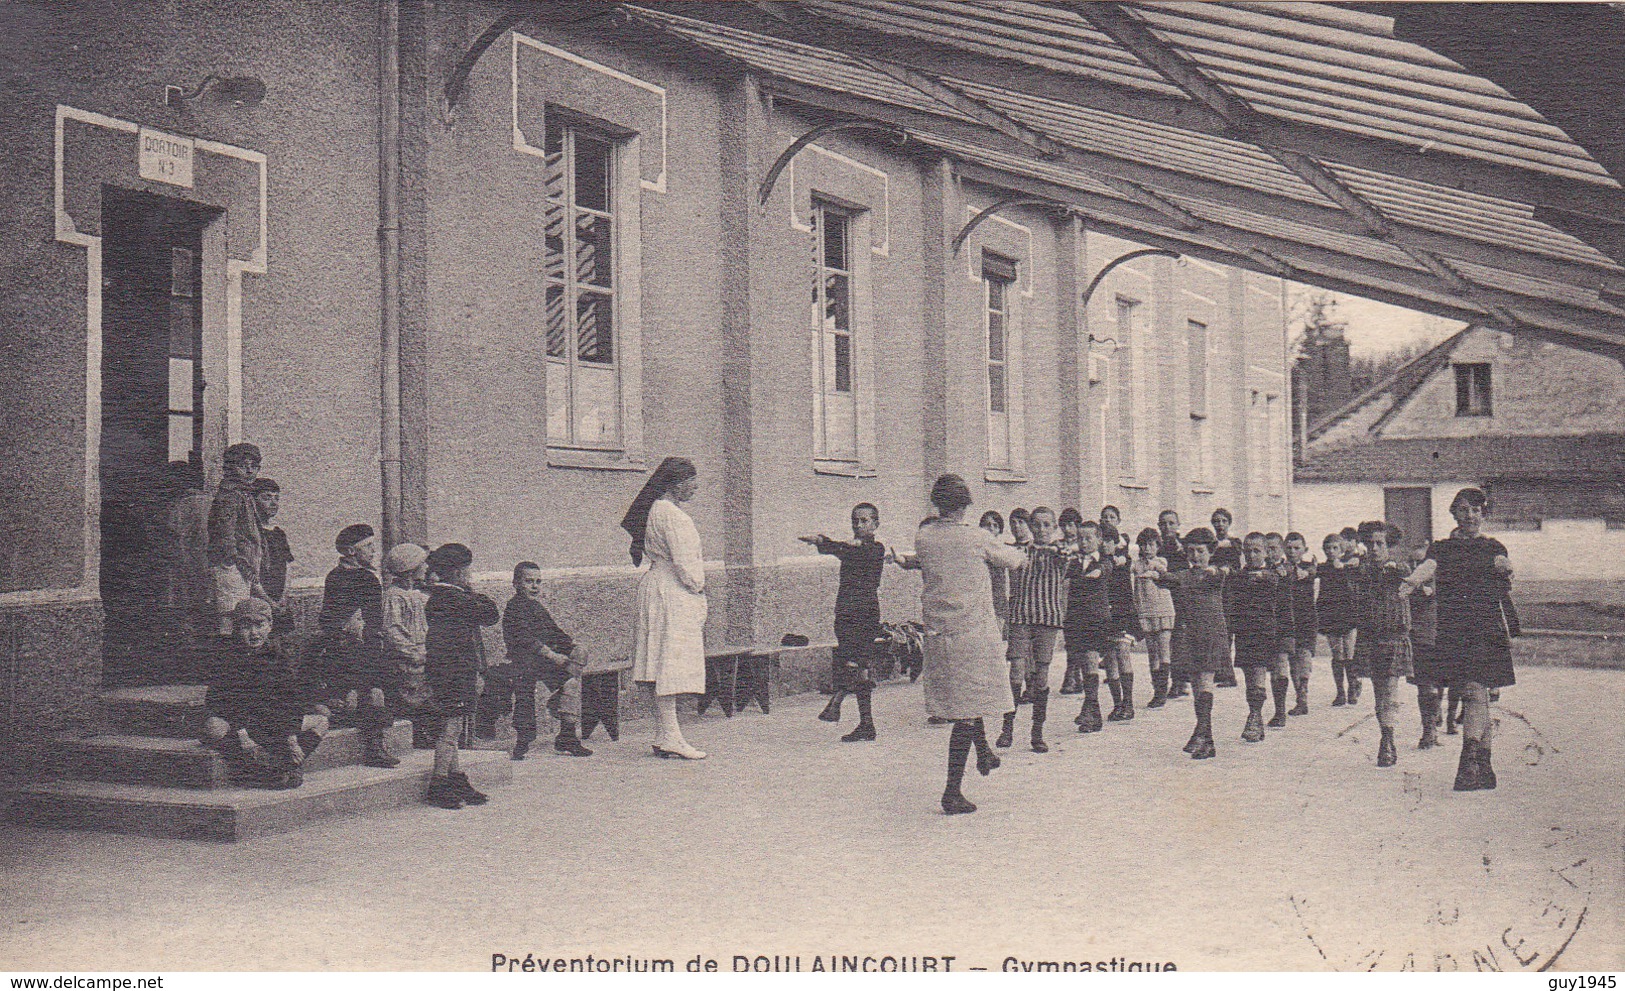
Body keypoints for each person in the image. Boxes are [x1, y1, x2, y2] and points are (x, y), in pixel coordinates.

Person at [895, 474, 1027, 814]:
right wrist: (1023, 545)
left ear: (936, 504)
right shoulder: (976, 537)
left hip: (939, 634)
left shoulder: (923, 537)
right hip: (972, 632)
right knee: (969, 707)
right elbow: (1015, 561)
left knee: (965, 698)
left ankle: (983, 751)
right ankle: (952, 792)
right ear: (966, 505)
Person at [1404, 488, 1515, 792]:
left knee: (1474, 691)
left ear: (1483, 514)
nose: (1471, 516)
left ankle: (1468, 763)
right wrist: (1412, 580)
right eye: (1464, 510)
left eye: (1477, 510)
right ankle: (1485, 766)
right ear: (1453, 513)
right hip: (1454, 628)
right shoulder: (1441, 549)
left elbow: (1502, 566)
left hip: (1485, 628)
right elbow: (1428, 568)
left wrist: (1505, 568)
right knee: (1475, 695)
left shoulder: (1493, 546)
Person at [623, 457, 710, 761]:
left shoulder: (654, 510)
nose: (696, 486)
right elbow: (687, 566)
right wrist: (698, 588)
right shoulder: (674, 516)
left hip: (655, 586)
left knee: (658, 663)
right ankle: (671, 735)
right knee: (669, 664)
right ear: (675, 483)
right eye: (691, 480)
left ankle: (663, 734)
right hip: (672, 591)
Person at [200, 597, 327, 789]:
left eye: (260, 625)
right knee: (212, 726)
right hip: (241, 724)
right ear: (236, 629)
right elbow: (220, 702)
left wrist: (291, 737)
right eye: (246, 627)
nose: (254, 633)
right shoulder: (227, 657)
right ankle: (260, 768)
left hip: (271, 723)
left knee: (322, 720)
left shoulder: (279, 656)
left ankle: (287, 764)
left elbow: (289, 700)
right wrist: (242, 734)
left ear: (270, 626)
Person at [313, 523, 398, 769]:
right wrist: (347, 627)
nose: (374, 551)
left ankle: (375, 740)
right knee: (370, 690)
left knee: (374, 690)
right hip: (346, 649)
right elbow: (328, 617)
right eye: (368, 546)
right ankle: (374, 745)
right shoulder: (347, 578)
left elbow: (373, 621)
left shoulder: (360, 576)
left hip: (364, 645)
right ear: (351, 551)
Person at [423, 542, 501, 808]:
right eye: (467, 572)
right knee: (450, 728)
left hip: (448, 671)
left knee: (453, 727)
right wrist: (473, 592)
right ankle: (439, 781)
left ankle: (454, 777)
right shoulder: (453, 598)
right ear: (457, 574)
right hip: (454, 673)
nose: (470, 577)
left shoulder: (441, 597)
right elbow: (491, 613)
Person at [802, 503, 887, 742]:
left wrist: (823, 541)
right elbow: (843, 549)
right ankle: (866, 724)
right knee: (858, 667)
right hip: (846, 612)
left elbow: (853, 551)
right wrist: (822, 542)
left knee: (857, 664)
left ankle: (838, 701)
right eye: (855, 521)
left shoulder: (876, 549)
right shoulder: (850, 548)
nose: (858, 525)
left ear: (876, 524)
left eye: (864, 521)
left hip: (865, 614)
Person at [499, 562, 594, 759]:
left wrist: (572, 646)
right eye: (529, 582)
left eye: (538, 582)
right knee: (525, 698)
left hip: (542, 662)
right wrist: (553, 655)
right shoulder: (514, 608)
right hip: (523, 661)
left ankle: (567, 737)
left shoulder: (536, 607)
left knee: (571, 684)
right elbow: (525, 639)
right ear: (516, 583)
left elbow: (553, 632)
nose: (534, 586)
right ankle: (522, 742)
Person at [1156, 528, 1230, 760]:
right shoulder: (1186, 575)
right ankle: (1204, 736)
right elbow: (1173, 579)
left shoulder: (1215, 574)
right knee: (1198, 684)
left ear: (1211, 552)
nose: (1195, 556)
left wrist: (1217, 570)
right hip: (1190, 635)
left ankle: (1205, 736)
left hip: (1210, 634)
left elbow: (1220, 574)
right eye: (1191, 551)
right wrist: (1158, 574)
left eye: (1200, 551)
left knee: (1205, 681)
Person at [998, 507, 1068, 749]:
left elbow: (1068, 559)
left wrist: (1061, 551)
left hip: (1047, 619)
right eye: (1036, 525)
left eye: (1046, 525)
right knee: (1016, 670)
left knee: (1041, 675)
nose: (1041, 529)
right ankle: (1007, 729)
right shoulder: (1019, 551)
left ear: (1054, 527)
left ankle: (1037, 733)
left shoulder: (1060, 552)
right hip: (1020, 615)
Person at [1352, 521, 1414, 768]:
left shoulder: (1400, 568)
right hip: (1370, 636)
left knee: (1389, 687)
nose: (1375, 548)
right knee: (1380, 690)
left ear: (1389, 546)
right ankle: (1385, 734)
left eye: (1380, 544)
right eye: (1370, 544)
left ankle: (1388, 739)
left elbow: (1407, 575)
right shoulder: (1361, 571)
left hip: (1394, 635)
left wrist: (1395, 569)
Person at [207, 443, 267, 636]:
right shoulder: (230, 495)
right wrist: (237, 560)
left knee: (240, 617)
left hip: (242, 566)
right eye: (243, 465)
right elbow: (224, 533)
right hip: (232, 567)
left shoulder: (243, 493)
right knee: (232, 617)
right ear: (230, 468)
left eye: (254, 466)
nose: (250, 471)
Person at [1229, 533, 1282, 744]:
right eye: (1247, 551)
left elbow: (1279, 587)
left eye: (1256, 551)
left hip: (1264, 632)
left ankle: (1254, 717)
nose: (1251, 555)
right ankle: (1255, 714)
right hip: (1244, 631)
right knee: (1250, 677)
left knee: (1259, 672)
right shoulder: (1239, 577)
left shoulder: (1273, 575)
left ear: (1266, 552)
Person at [381, 543, 434, 749]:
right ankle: (412, 735)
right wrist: (412, 652)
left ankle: (423, 731)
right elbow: (392, 630)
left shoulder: (420, 596)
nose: (426, 569)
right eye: (422, 565)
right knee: (410, 694)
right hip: (407, 658)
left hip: (423, 652)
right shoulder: (394, 596)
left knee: (425, 693)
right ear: (411, 569)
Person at [1065, 520, 1114, 735]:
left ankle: (1093, 713)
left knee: (1092, 662)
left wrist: (1097, 572)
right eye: (1080, 539)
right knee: (1086, 666)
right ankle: (1090, 709)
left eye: (1089, 538)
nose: (1084, 542)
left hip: (1096, 620)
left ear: (1099, 540)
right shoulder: (1074, 563)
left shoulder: (1104, 561)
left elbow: (1105, 569)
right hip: (1077, 620)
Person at [1131, 527, 1175, 708]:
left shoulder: (1160, 561)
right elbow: (1129, 567)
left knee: (1164, 649)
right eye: (1143, 545)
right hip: (1145, 610)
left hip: (1163, 609)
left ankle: (1162, 691)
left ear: (1158, 546)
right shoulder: (1136, 563)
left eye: (1151, 545)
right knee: (1152, 652)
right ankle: (1156, 689)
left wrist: (1153, 570)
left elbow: (1160, 568)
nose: (1147, 548)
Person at [1100, 521, 1139, 722]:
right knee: (1109, 659)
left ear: (1116, 542)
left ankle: (1129, 703)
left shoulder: (1123, 562)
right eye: (1102, 540)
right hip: (1104, 617)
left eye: (1108, 541)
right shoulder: (1096, 562)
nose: (1104, 544)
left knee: (1123, 653)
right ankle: (1117, 704)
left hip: (1122, 614)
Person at [1406, 543, 1443, 750]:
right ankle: (1428, 728)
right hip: (1419, 638)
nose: (1414, 566)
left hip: (1439, 636)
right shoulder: (1409, 584)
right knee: (1425, 685)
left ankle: (1436, 716)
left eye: (1419, 562)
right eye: (1412, 561)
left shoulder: (1437, 584)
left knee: (1437, 683)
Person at [1317, 532, 1358, 706]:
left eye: (1335, 548)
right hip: (1330, 613)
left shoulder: (1349, 567)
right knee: (1337, 654)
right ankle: (1340, 691)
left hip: (1347, 612)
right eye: (1328, 548)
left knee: (1349, 651)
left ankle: (1352, 689)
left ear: (1341, 549)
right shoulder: (1322, 568)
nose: (1331, 551)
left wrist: (1345, 566)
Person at [251, 479, 295, 636]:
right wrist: (268, 601)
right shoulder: (251, 534)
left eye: (276, 498)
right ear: (252, 501)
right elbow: (251, 574)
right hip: (259, 599)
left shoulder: (278, 533)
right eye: (267, 498)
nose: (273, 503)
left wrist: (284, 597)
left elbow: (288, 565)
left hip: (280, 599)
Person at [1283, 532, 1319, 716]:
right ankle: (1299, 697)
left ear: (1304, 549)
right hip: (1288, 619)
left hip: (1306, 618)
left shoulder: (1309, 567)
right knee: (1292, 659)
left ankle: (1303, 696)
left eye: (1297, 548)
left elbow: (1315, 571)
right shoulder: (1281, 568)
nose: (1292, 551)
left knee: (1304, 655)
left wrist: (1307, 572)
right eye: (1288, 548)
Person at [1263, 533, 1296, 729]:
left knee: (1281, 664)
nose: (1270, 552)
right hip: (1266, 626)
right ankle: (1278, 709)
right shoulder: (1262, 568)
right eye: (1267, 549)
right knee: (1272, 668)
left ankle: (1280, 711)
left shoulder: (1289, 569)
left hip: (1284, 624)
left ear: (1281, 549)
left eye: (1273, 548)